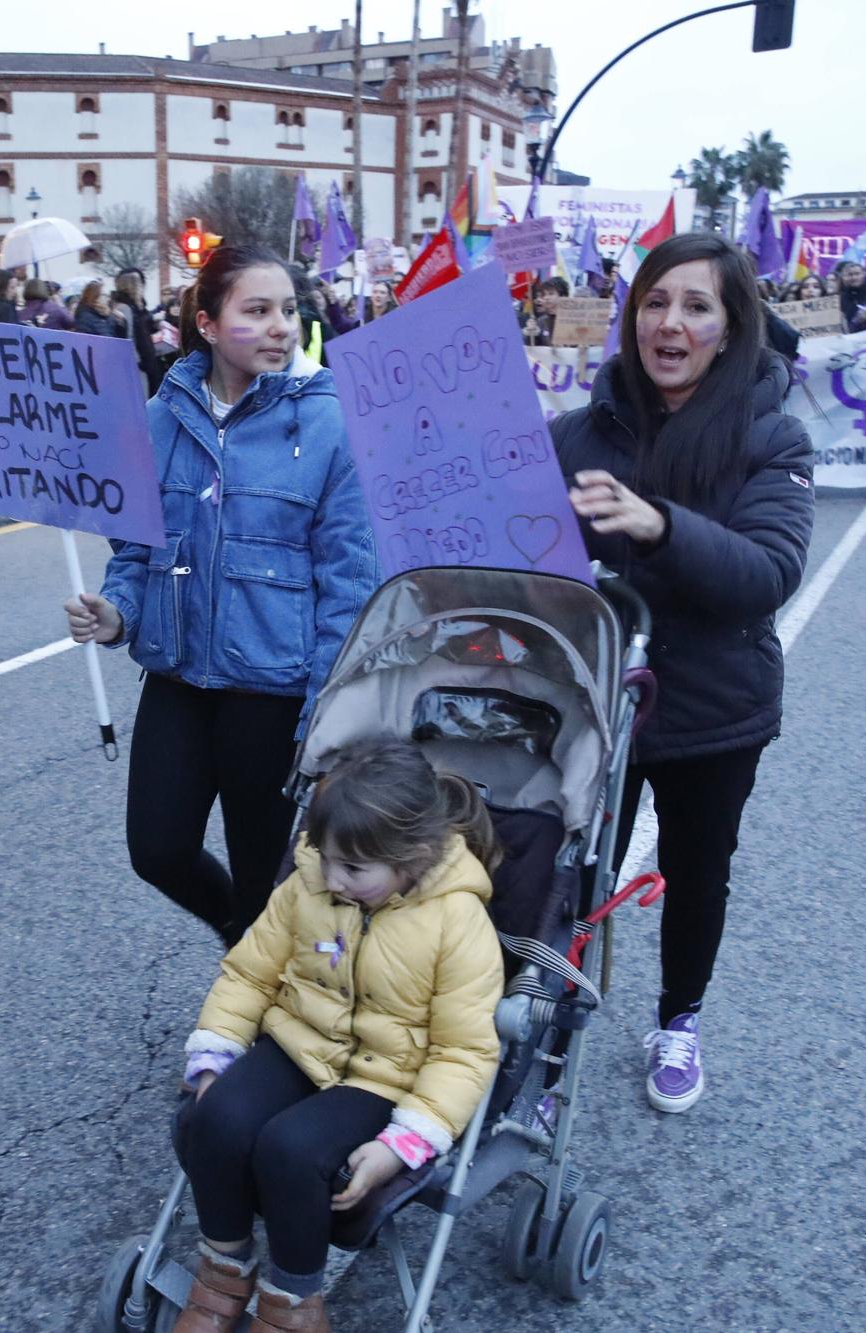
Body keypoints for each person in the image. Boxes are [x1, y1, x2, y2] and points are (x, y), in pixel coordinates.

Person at [549, 233, 814, 1115]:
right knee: (571, 874)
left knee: (700, 873)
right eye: (656, 303)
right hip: (593, 704)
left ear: (732, 325)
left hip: (713, 706)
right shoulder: (576, 433)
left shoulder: (770, 434)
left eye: (697, 306)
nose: (671, 322)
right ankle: (546, 1037)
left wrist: (658, 524)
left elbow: (769, 575)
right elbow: (510, 550)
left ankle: (680, 1018)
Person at [64, 242, 378, 946]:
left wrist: (328, 714)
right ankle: (246, 944)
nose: (280, 327)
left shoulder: (331, 423)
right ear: (206, 323)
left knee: (267, 869)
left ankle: (268, 1010)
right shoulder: (161, 416)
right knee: (159, 850)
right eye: (257, 310)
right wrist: (118, 616)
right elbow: (139, 550)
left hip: (273, 692)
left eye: (288, 311)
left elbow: (349, 583)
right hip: (177, 675)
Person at [169, 738, 501, 1331]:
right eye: (323, 856)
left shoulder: (457, 921)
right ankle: (224, 1268)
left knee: (291, 1151)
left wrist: (406, 1142)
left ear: (414, 857)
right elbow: (250, 972)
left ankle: (293, 1304)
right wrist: (216, 1050)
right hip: (301, 1041)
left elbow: (463, 1049)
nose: (331, 877)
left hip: (385, 1076)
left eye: (352, 868)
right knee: (213, 1114)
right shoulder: (311, 885)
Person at [116, 267, 164, 395]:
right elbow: (130, 336)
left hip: (146, 361)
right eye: (139, 285)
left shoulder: (137, 306)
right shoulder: (126, 308)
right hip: (139, 364)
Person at [834, 260, 866, 332]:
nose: (854, 277)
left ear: (864, 274)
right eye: (850, 274)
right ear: (845, 277)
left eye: (857, 274)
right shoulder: (839, 298)